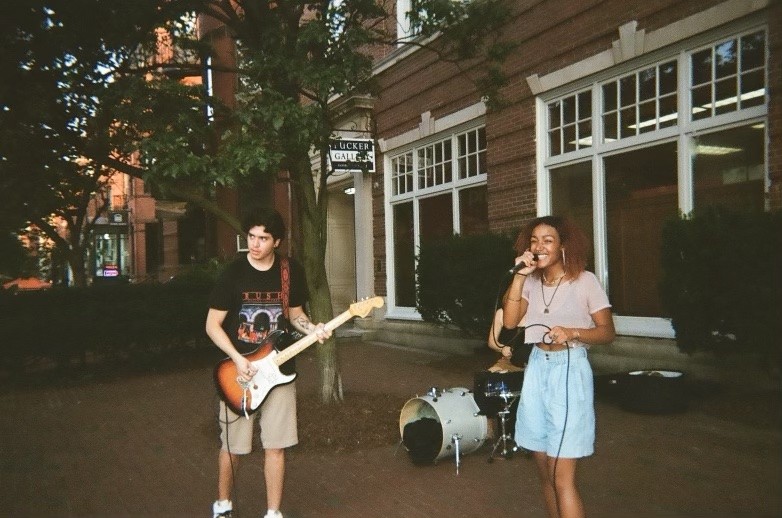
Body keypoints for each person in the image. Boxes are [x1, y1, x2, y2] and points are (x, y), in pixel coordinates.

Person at [206, 207, 331, 518]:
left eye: (263, 238)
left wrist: (313, 328)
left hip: (280, 371)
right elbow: (212, 325)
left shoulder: (290, 271)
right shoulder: (233, 273)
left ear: (277, 241)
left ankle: (273, 512)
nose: (255, 243)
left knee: (276, 446)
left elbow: (296, 315)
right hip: (238, 374)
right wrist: (237, 359)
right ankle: (223, 505)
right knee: (234, 448)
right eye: (251, 236)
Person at [502, 215, 615, 518]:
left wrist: (574, 332)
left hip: (569, 369)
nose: (539, 247)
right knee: (545, 474)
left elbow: (607, 332)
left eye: (547, 240)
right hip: (537, 368)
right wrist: (519, 276)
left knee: (560, 477)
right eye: (534, 241)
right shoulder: (531, 282)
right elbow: (510, 322)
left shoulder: (585, 281)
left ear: (563, 245)